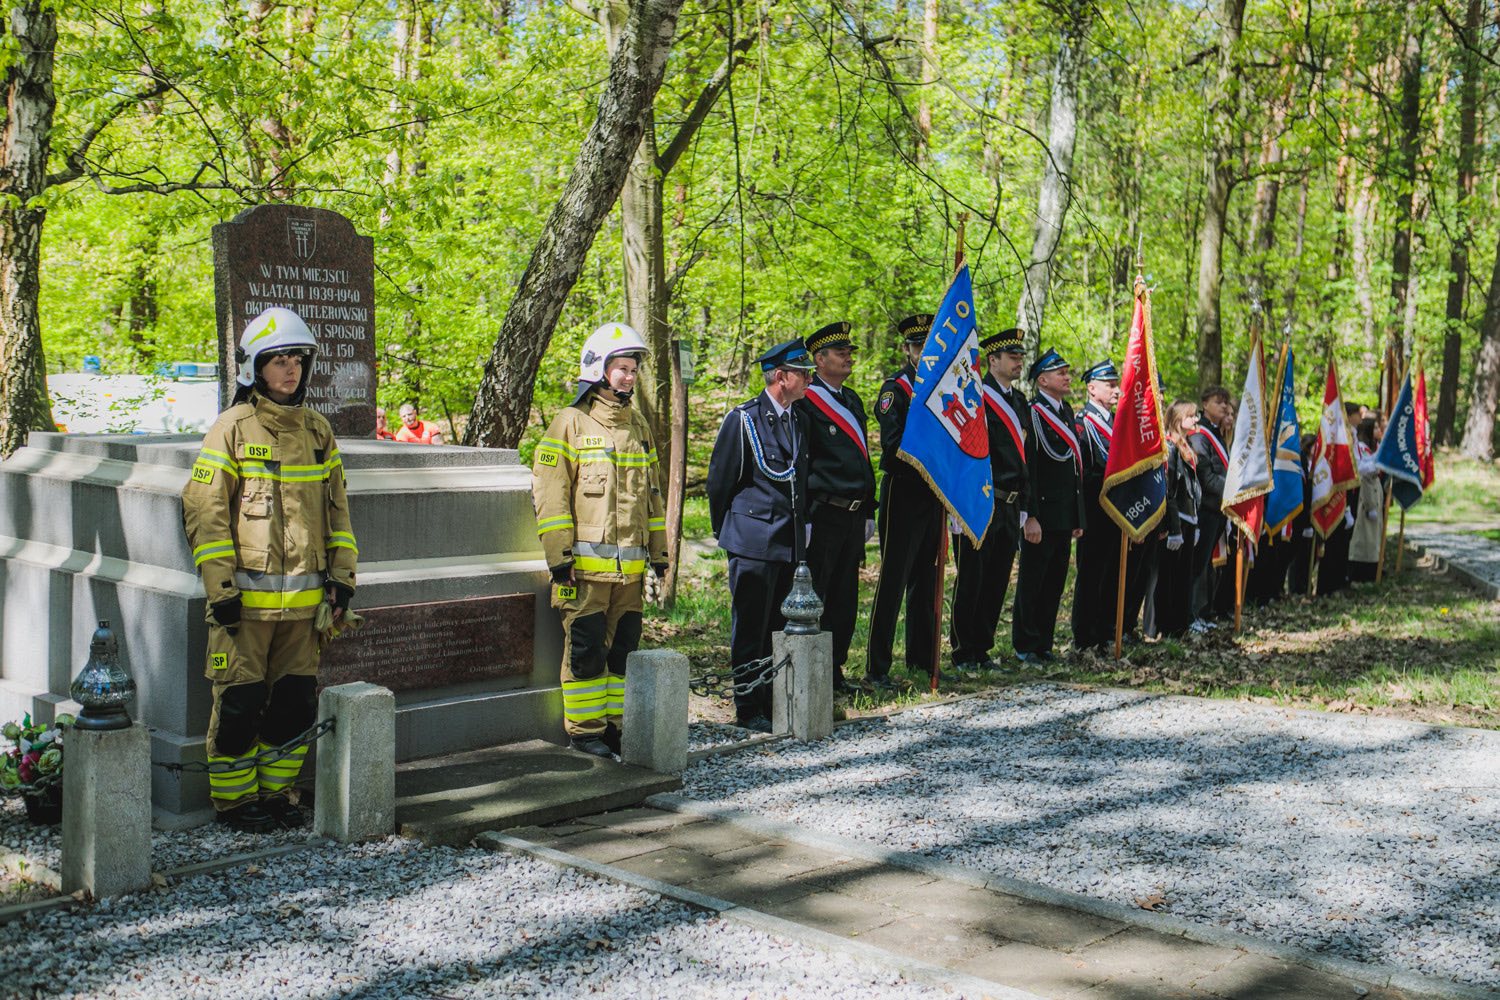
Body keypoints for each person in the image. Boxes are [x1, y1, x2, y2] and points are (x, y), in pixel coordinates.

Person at [181, 306, 358, 833]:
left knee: (293, 705)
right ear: (254, 368)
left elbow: (338, 514)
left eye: (298, 360)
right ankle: (234, 802)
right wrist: (221, 590)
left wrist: (342, 579)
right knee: (239, 703)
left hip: (304, 611)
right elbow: (206, 511)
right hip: (244, 610)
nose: (291, 370)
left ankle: (277, 793)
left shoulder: (318, 432)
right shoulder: (232, 429)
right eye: (279, 360)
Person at [531, 322, 668, 758]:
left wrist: (660, 555)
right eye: (622, 368)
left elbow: (653, 496)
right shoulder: (569, 423)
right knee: (586, 651)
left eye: (633, 370)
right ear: (598, 369)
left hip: (630, 574)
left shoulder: (638, 425)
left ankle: (614, 727)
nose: (629, 377)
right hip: (584, 574)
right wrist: (559, 558)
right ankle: (585, 732)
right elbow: (550, 495)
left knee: (623, 652)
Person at [706, 339, 814, 732]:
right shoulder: (744, 420)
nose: (809, 380)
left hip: (787, 542)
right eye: (803, 373)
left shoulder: (798, 419)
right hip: (752, 540)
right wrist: (729, 532)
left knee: (778, 628)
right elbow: (720, 482)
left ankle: (773, 703)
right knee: (751, 629)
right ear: (781, 377)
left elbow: (799, 481)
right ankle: (748, 708)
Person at [797, 321, 877, 694]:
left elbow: (863, 458)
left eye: (849, 352)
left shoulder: (852, 400)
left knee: (845, 597)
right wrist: (804, 516)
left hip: (853, 514)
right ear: (819, 359)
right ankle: (810, 671)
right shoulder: (807, 402)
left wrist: (870, 508)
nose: (848, 358)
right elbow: (803, 463)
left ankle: (835, 670)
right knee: (819, 592)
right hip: (824, 511)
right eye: (840, 353)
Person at [866, 314, 942, 689]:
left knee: (927, 578)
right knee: (894, 577)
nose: (923, 352)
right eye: (918, 346)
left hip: (934, 492)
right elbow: (892, 443)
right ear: (908, 350)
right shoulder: (895, 389)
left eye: (929, 346)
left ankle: (922, 658)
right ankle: (877, 665)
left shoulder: (942, 388)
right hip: (904, 489)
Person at [950, 329, 1028, 673]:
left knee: (997, 578)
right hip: (980, 499)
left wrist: (1025, 504)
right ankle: (962, 650)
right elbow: (963, 450)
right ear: (992, 360)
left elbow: (1024, 458)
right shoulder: (975, 395)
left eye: (1020, 357)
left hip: (1010, 503)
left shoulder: (1020, 401)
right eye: (1012, 357)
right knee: (972, 577)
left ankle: (982, 648)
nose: (1018, 362)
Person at [1012, 348, 1084, 664]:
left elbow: (1074, 471)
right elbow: (1030, 467)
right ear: (1042, 380)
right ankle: (1025, 644)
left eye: (1067, 372)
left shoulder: (1065, 411)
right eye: (1060, 373)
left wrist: (1077, 516)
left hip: (1064, 513)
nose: (1067, 377)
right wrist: (1030, 516)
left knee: (1054, 582)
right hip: (1041, 513)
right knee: (1033, 581)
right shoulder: (1033, 413)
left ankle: (1044, 643)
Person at [1071, 359, 1121, 652]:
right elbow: (1083, 471)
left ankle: (1104, 631)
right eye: (1110, 385)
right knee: (1091, 574)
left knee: (1111, 574)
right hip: (1094, 509)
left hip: (1117, 511)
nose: (1116, 390)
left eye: (1116, 385)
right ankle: (1085, 636)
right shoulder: (1082, 423)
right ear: (1092, 388)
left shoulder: (1117, 424)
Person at [1154, 401, 1202, 638]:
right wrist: (1174, 527)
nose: (1196, 420)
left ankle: (1181, 625)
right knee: (1170, 577)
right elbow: (1169, 489)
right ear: (1177, 419)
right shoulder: (1170, 447)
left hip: (1189, 517)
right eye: (1191, 416)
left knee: (1184, 575)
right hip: (1177, 519)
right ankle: (1167, 626)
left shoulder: (1186, 444)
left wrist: (1196, 520)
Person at [1189, 386, 1231, 630]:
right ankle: (1194, 614)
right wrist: (1232, 490)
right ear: (1205, 404)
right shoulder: (1199, 435)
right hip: (1205, 507)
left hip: (1218, 508)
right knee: (1200, 564)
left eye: (1226, 402)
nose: (1224, 406)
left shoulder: (1215, 433)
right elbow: (1205, 476)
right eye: (1219, 401)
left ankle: (1204, 613)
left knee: (1209, 564)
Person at [1348, 415, 1385, 583]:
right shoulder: (1362, 448)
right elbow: (1363, 471)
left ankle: (1374, 569)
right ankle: (1361, 572)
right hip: (1365, 497)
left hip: (1375, 493)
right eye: (1375, 428)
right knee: (1363, 538)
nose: (1379, 430)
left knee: (1373, 538)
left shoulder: (1373, 447)